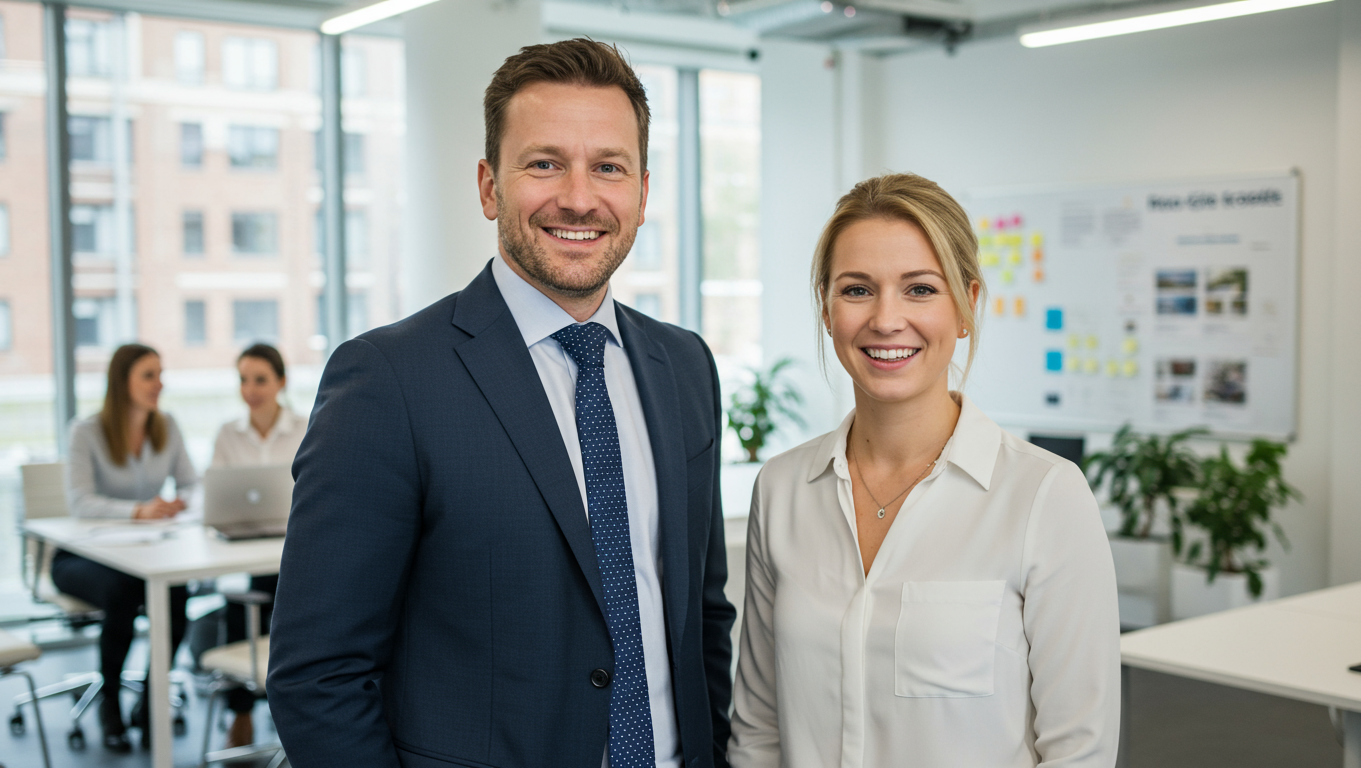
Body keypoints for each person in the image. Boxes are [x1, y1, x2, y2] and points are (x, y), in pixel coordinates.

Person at [266, 38, 736, 768]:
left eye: (608, 167)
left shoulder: (684, 367)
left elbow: (701, 619)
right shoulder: (388, 381)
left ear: (643, 193)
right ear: (489, 186)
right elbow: (318, 676)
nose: (579, 197)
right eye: (544, 163)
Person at [728, 174, 1120, 767]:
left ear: (966, 307)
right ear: (827, 309)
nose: (886, 320)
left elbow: (1079, 751)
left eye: (919, 289)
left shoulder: (1044, 496)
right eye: (858, 290)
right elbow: (758, 728)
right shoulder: (782, 489)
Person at [51, 343, 195, 753]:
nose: (159, 384)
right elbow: (80, 502)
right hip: (80, 558)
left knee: (175, 591)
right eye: (149, 375)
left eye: (160, 373)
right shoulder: (86, 431)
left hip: (144, 555)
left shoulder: (166, 425)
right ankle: (110, 702)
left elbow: (192, 483)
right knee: (122, 591)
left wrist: (181, 503)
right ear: (123, 382)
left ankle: (151, 702)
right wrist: (138, 510)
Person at [208, 342, 305, 748]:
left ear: (281, 382)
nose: (251, 389)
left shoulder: (305, 426)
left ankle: (292, 709)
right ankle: (241, 711)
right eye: (244, 380)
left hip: (294, 544)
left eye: (260, 379)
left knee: (281, 596)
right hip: (243, 544)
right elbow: (216, 495)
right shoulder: (229, 434)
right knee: (238, 602)